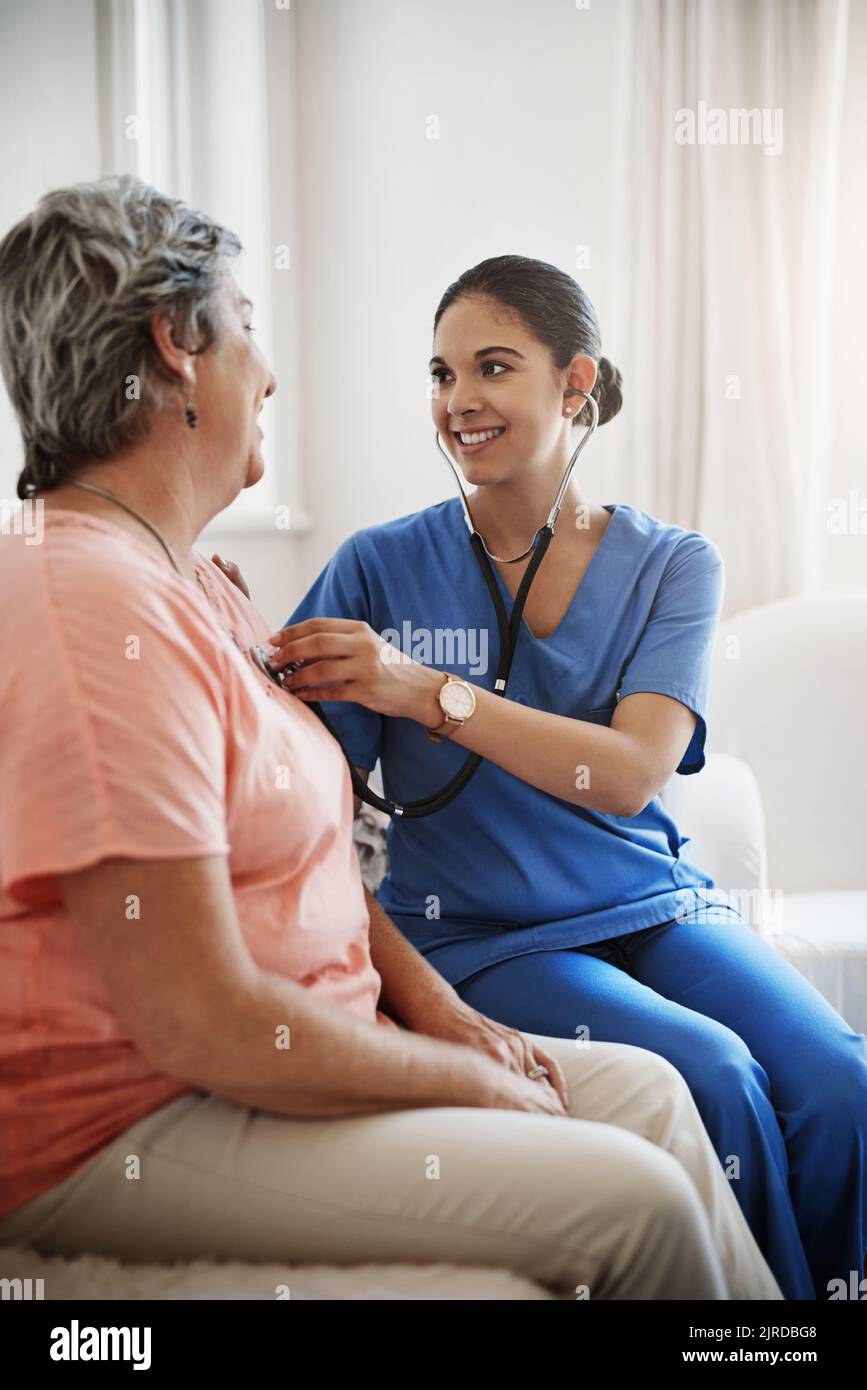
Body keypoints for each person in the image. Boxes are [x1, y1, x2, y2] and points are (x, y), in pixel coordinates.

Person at [0, 177, 782, 1300]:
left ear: (578, 388)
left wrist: (439, 1013)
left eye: (492, 368)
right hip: (132, 1112)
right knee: (638, 1199)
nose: (266, 372)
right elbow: (197, 1020)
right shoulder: (88, 607)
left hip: (318, 1030)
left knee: (662, 1095)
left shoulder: (199, 588)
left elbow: (320, 860)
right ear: (176, 345)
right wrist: (460, 1083)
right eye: (249, 327)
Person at [273, 255, 867, 1302]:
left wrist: (429, 693)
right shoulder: (375, 568)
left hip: (654, 905)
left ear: (575, 384)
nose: (459, 402)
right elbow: (298, 791)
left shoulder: (675, 563)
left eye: (492, 368)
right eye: (441, 374)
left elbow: (631, 775)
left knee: (840, 1081)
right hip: (482, 933)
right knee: (715, 1077)